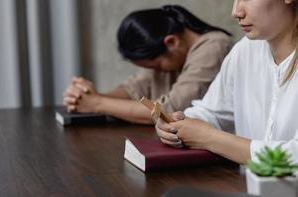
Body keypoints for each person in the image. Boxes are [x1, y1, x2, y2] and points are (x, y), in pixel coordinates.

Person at [156, 0, 298, 164]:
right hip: (245, 186)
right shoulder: (246, 49)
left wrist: (210, 138)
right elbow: (213, 111)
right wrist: (177, 124)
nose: (236, 12)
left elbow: (294, 156)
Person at [62, 5, 232, 124]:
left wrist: (98, 104)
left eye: (156, 66)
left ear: (171, 42)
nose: (155, 72)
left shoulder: (214, 46)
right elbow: (133, 89)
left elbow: (169, 110)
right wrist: (88, 97)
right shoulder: (169, 53)